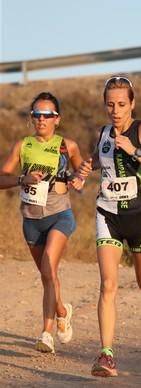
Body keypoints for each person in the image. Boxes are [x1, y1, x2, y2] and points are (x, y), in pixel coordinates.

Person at [79, 76, 141, 377]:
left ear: (132, 103)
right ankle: (106, 354)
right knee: (108, 284)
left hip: (140, 217)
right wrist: (85, 166)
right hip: (107, 214)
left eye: (121, 104)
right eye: (110, 104)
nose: (115, 110)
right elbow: (100, 160)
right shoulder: (104, 132)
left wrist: (135, 150)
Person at [0, 91, 84, 354]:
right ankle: (61, 310)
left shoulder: (67, 146)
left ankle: (46, 333)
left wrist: (78, 180)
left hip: (60, 216)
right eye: (36, 114)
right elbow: (2, 178)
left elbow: (81, 173)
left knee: (48, 266)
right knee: (48, 275)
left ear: (57, 119)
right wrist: (21, 179)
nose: (41, 119)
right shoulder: (22, 146)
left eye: (47, 115)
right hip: (31, 221)